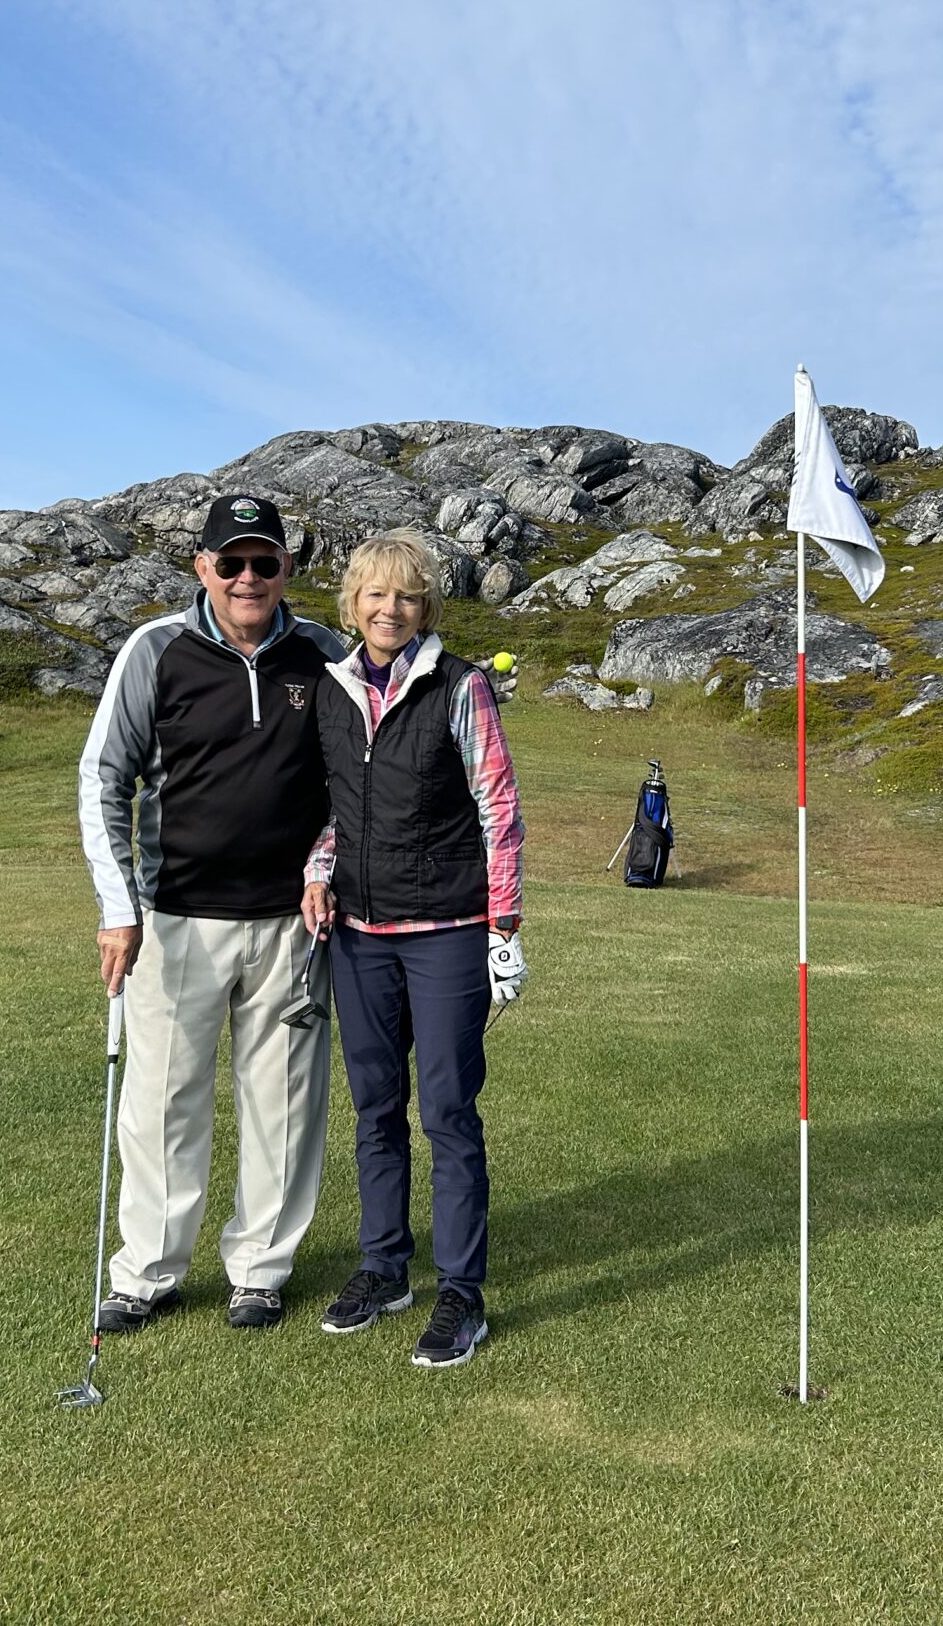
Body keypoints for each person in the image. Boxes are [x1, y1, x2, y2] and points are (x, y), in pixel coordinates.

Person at [78, 493, 344, 1333]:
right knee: (162, 1101)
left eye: (264, 562)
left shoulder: (325, 655)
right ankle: (148, 1273)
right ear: (202, 568)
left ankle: (260, 1269)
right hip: (174, 918)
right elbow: (101, 778)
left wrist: (325, 863)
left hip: (291, 925)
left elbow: (356, 782)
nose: (247, 577)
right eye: (230, 562)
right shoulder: (154, 650)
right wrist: (117, 908)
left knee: (285, 1103)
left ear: (286, 570)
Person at [301, 531, 526, 1369]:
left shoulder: (461, 686)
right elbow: (338, 810)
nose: (389, 609)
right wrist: (322, 868)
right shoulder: (334, 691)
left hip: (445, 936)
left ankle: (461, 1293)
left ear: (425, 607)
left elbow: (498, 809)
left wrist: (504, 927)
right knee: (374, 1111)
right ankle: (383, 1268)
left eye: (405, 596)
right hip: (359, 936)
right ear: (352, 604)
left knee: (448, 1115)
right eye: (374, 595)